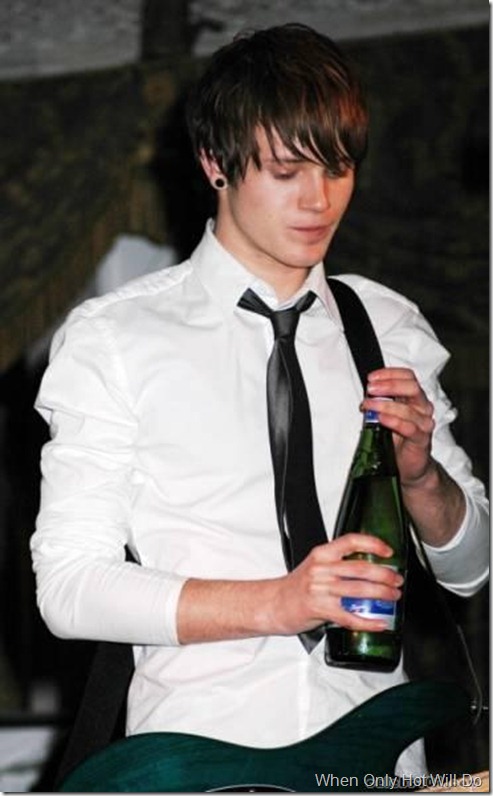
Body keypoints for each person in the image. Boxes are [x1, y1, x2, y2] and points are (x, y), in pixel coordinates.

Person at [31, 23, 488, 781]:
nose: (318, 200)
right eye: (285, 170)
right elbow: (70, 589)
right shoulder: (115, 337)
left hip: (378, 757)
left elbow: (471, 568)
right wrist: (280, 602)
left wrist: (420, 478)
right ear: (215, 162)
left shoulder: (388, 326)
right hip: (202, 754)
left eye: (337, 168)